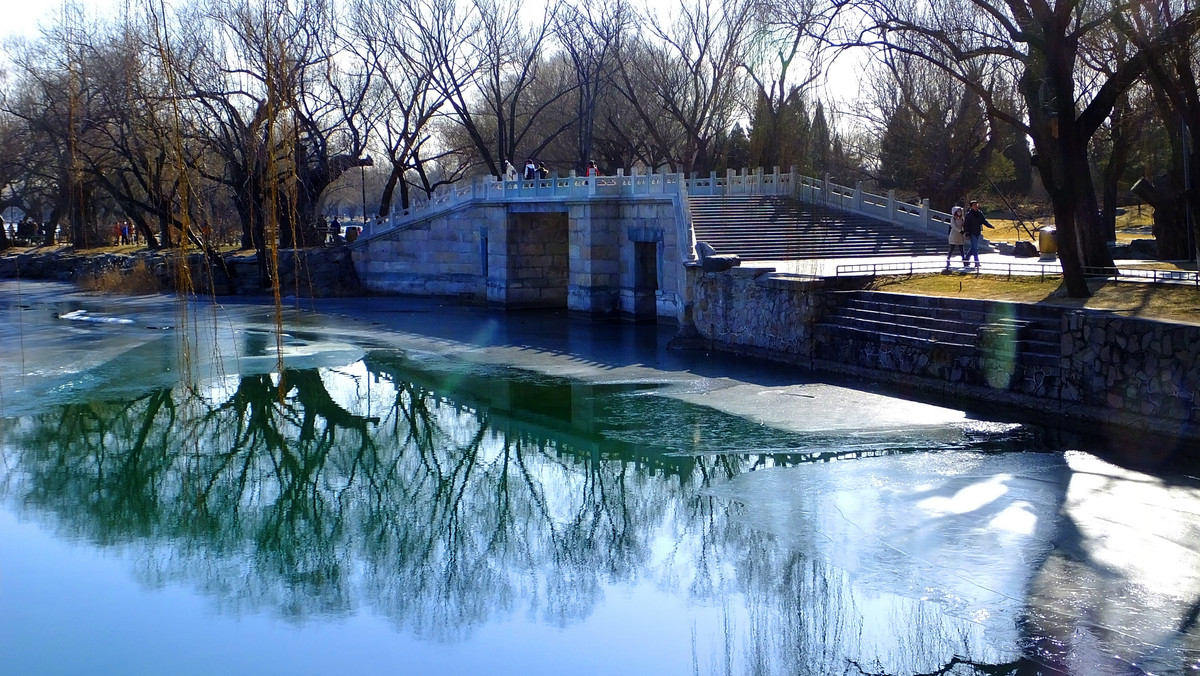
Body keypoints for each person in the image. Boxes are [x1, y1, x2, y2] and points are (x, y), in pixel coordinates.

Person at [962, 199, 994, 268]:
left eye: (977, 205)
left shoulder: (980, 213)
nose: (976, 206)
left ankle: (966, 259)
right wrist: (966, 232)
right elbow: (966, 224)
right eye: (974, 205)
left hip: (977, 232)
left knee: (973, 247)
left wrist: (990, 226)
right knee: (975, 248)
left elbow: (984, 221)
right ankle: (976, 262)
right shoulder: (969, 215)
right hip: (971, 232)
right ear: (971, 207)